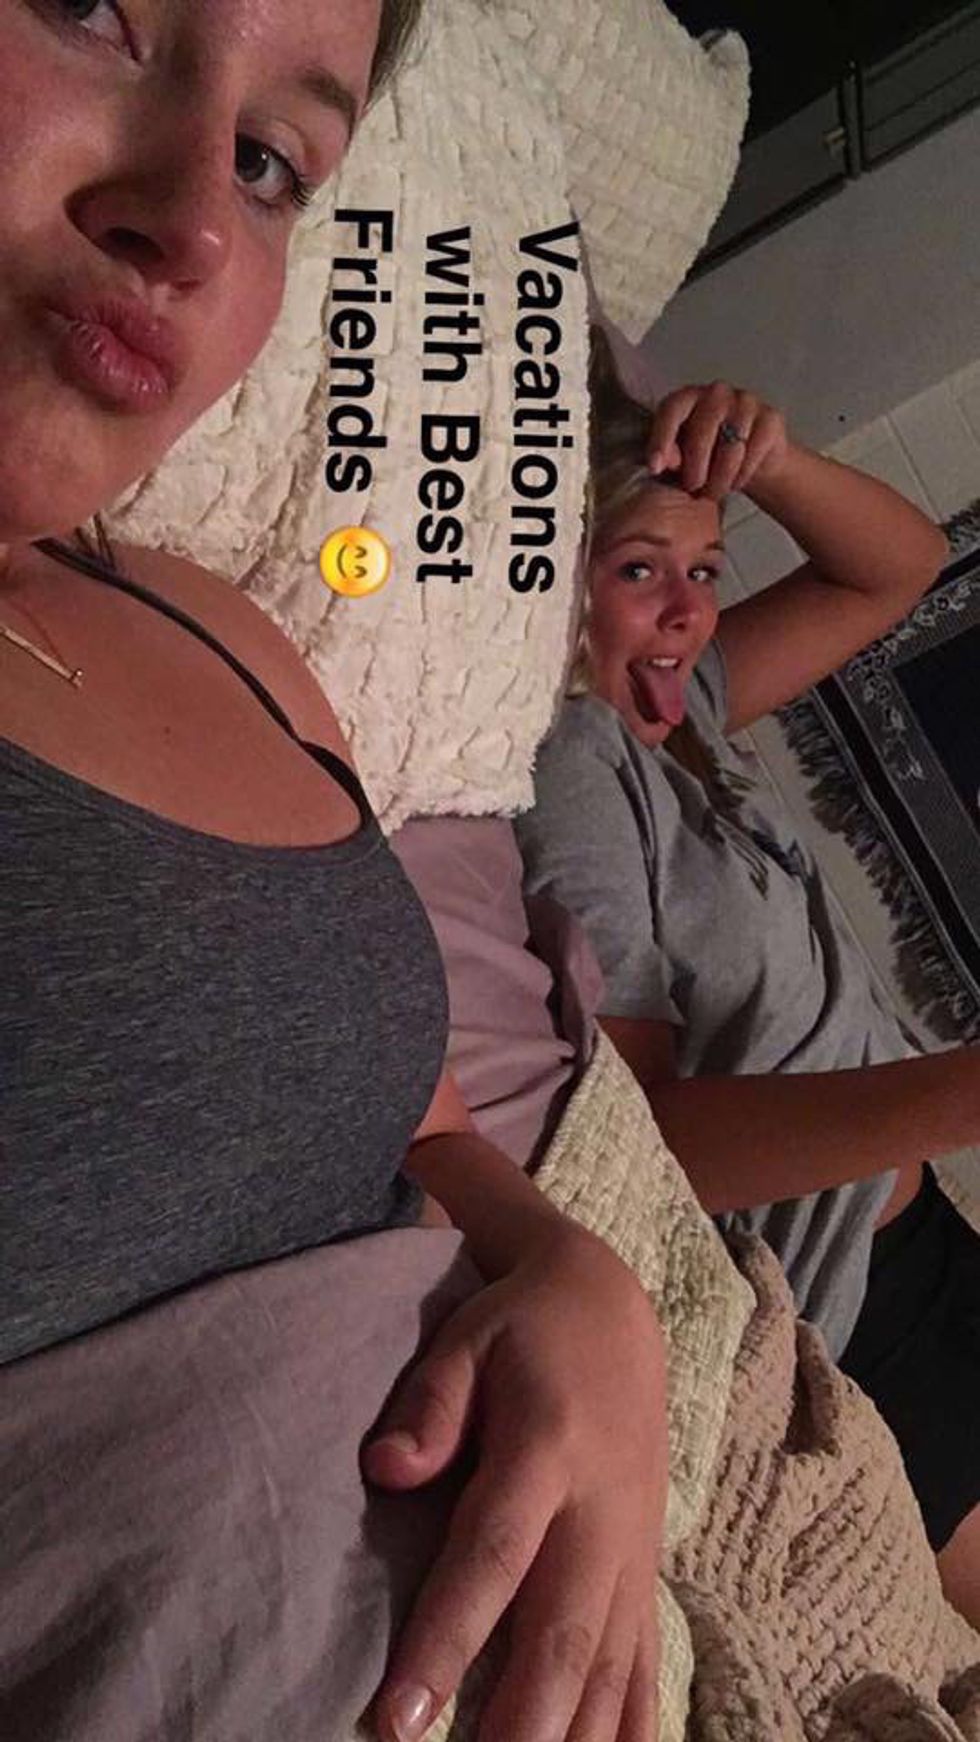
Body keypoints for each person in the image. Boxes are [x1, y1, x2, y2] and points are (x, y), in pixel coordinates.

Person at [0, 12, 668, 1741]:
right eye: (92, 9)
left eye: (270, 164)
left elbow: (408, 1101)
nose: (196, 225)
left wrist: (572, 1270)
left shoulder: (217, 633)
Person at [515, 324, 980, 1630]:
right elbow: (657, 1146)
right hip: (855, 1327)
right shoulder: (576, 769)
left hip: (922, 1241)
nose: (688, 610)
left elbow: (898, 567)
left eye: (706, 570)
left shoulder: (681, 706)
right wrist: (965, 1090)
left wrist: (765, 459)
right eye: (641, 569)